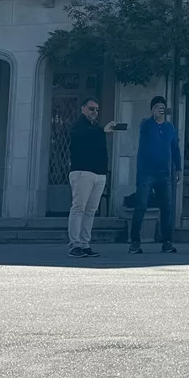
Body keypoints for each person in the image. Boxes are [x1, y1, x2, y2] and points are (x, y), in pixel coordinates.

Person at [129, 95, 181, 255]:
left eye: (162, 107)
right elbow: (143, 128)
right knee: (141, 206)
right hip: (146, 173)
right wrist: (152, 117)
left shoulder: (170, 128)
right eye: (157, 107)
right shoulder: (146, 124)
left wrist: (178, 168)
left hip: (164, 174)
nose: (160, 109)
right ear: (152, 109)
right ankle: (135, 242)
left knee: (167, 208)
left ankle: (167, 241)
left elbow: (175, 148)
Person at [67, 96, 117, 258]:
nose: (94, 112)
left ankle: (84, 243)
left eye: (96, 109)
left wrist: (104, 170)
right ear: (83, 109)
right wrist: (102, 131)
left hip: (99, 173)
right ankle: (74, 244)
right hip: (82, 172)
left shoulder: (96, 128)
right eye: (91, 109)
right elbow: (81, 137)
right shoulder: (78, 126)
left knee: (90, 211)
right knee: (78, 208)